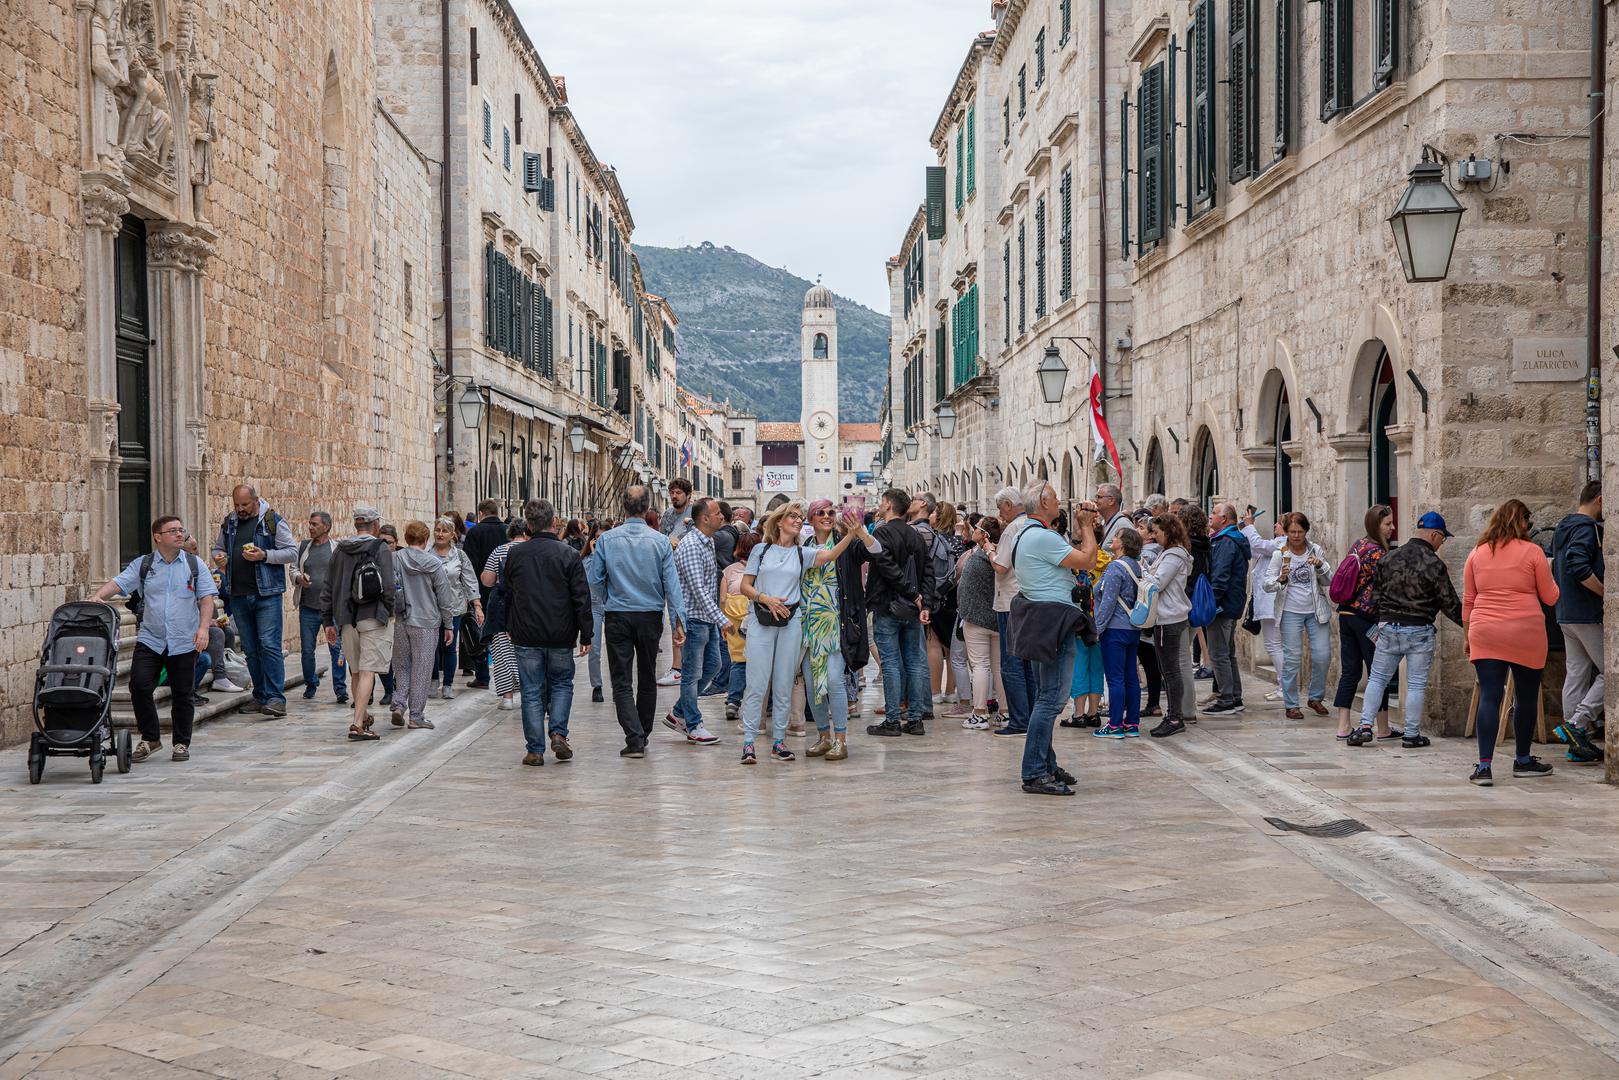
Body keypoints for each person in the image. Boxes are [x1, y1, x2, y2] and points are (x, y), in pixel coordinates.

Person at [737, 501, 864, 763]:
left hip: (792, 622)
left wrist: (852, 534)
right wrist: (766, 599)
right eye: (792, 516)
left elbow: (831, 555)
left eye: (799, 517)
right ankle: (749, 743)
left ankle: (779, 742)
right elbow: (745, 586)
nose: (797, 520)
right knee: (757, 683)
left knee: (784, 683)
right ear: (779, 521)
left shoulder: (802, 553)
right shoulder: (761, 550)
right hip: (762, 620)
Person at [93, 516, 218, 763]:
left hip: (184, 639)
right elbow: (118, 583)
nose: (179, 534)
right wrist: (97, 598)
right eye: (173, 531)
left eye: (181, 530)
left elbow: (206, 599)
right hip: (151, 639)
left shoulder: (194, 564)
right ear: (158, 537)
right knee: (139, 685)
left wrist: (203, 629)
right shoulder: (144, 564)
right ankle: (150, 738)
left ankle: (181, 743)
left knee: (183, 693)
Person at [1008, 483, 1098, 795]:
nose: (1059, 501)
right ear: (1044, 502)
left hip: (1041, 620)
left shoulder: (1029, 534)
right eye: (1056, 498)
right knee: (1051, 700)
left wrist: (1081, 529)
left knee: (1044, 698)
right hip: (1054, 621)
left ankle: (1046, 764)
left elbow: (1069, 556)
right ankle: (1035, 771)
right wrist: (1087, 526)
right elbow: (1088, 560)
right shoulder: (1042, 537)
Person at [1463, 499, 1560, 785]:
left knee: (1490, 696)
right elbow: (1550, 597)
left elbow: (1468, 600)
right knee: (1526, 697)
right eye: (1528, 522)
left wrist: (1467, 636)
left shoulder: (1477, 553)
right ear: (1522, 521)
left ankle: (1484, 767)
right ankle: (1523, 760)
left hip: (1485, 630)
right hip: (1525, 632)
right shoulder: (1533, 552)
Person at [1347, 511, 1463, 749]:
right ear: (1435, 534)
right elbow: (1449, 603)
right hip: (1419, 629)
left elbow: (1375, 596)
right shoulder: (1434, 564)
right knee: (1416, 684)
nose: (1441, 544)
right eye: (1443, 539)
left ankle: (1365, 727)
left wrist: (1382, 620)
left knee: (1377, 678)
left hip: (1389, 627)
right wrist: (1472, 624)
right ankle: (1411, 735)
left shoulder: (1389, 558)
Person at [589, 485, 686, 758]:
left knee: (621, 679)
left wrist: (609, 597)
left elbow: (594, 581)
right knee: (647, 675)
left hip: (618, 614)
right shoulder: (660, 542)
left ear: (623, 506)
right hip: (649, 615)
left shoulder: (607, 540)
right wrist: (678, 622)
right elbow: (672, 586)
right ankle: (642, 732)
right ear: (647, 508)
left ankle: (634, 738)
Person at [505, 499, 592, 767]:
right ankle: (558, 732)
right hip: (560, 632)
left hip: (526, 632)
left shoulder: (516, 554)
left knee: (531, 690)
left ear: (528, 525)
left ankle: (535, 750)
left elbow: (507, 593)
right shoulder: (568, 555)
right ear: (554, 523)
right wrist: (586, 634)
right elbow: (581, 597)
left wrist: (509, 625)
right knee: (562, 683)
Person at [800, 500, 882, 760]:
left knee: (834, 681)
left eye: (830, 512)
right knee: (812, 684)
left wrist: (860, 532)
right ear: (811, 518)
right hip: (809, 625)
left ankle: (840, 739)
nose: (826, 516)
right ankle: (823, 736)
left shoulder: (848, 544)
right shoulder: (804, 547)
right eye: (820, 513)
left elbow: (876, 550)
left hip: (838, 622)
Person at [210, 484, 295, 717]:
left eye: (245, 505)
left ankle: (276, 698)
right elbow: (218, 548)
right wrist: (219, 557)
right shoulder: (229, 522)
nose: (240, 509)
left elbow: (291, 552)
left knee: (269, 645)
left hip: (266, 594)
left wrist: (264, 555)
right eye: (236, 505)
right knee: (251, 648)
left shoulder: (272, 521)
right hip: (238, 594)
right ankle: (260, 695)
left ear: (256, 501)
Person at [320, 506, 400, 741]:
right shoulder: (380, 548)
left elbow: (328, 586)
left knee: (355, 671)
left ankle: (363, 715)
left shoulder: (340, 550)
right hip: (373, 616)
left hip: (346, 619)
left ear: (356, 524)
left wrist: (328, 620)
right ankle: (357, 724)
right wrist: (390, 612)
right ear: (375, 525)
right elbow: (389, 585)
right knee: (367, 672)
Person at [864, 489, 935, 739]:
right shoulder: (916, 535)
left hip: (888, 604)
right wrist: (924, 603)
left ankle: (893, 719)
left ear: (888, 505)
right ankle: (915, 719)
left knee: (891, 663)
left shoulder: (882, 532)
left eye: (882, 501)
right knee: (914, 661)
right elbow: (928, 571)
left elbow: (886, 566)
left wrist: (912, 593)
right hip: (912, 609)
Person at [665, 497, 726, 746]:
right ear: (705, 518)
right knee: (691, 674)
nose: (722, 516)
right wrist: (722, 619)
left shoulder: (707, 541)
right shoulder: (691, 545)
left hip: (705, 617)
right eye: (717, 513)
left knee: (713, 665)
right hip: (693, 618)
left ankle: (678, 712)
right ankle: (693, 724)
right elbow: (698, 589)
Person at [1552, 481, 1605, 762]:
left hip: (1565, 612)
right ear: (1600, 499)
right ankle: (1576, 724)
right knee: (1613, 673)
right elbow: (1578, 564)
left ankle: (1575, 743)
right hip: (1586, 613)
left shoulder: (1563, 527)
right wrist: (1605, 593)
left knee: (1576, 673)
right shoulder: (1586, 528)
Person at [1332, 506, 1396, 740]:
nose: (1392, 528)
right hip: (1366, 619)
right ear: (1376, 525)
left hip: (1346, 614)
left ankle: (1343, 726)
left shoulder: (1359, 545)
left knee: (1350, 672)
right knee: (1379, 672)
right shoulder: (1378, 553)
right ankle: (1383, 728)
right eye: (1387, 524)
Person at [1262, 512, 1333, 720]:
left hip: (1316, 611)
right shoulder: (1279, 554)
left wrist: (1320, 566)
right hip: (1290, 611)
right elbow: (1267, 584)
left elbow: (1329, 580)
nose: (1296, 536)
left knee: (1322, 655)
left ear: (1306, 531)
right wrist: (1280, 579)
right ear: (1286, 532)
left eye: (1300, 532)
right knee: (1292, 658)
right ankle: (1291, 704)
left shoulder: (1315, 550)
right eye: (1292, 532)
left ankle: (1315, 697)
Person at [389, 521, 457, 731]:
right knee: (422, 668)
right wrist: (449, 624)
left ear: (406, 538)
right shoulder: (433, 563)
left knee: (401, 665)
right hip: (426, 621)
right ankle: (416, 716)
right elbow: (444, 596)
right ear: (426, 539)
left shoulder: (394, 559)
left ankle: (399, 703)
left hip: (401, 619)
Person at [989, 486, 1035, 738]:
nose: (1000, 514)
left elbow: (1000, 566)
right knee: (1027, 662)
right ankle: (1031, 715)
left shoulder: (1011, 529)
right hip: (1027, 599)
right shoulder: (1031, 524)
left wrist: (988, 550)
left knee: (1011, 663)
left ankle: (1019, 719)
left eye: (1000, 508)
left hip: (1009, 601)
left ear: (1008, 504)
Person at [1146, 512, 1195, 738]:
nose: (1154, 536)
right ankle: (1175, 714)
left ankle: (1175, 717)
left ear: (1168, 531)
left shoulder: (1174, 556)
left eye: (1157, 532)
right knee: (1169, 669)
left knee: (1171, 671)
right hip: (1168, 617)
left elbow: (1157, 583)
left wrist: (1141, 573)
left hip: (1169, 618)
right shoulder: (1169, 553)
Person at [1092, 526, 1145, 738]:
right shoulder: (1135, 565)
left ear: (1123, 544)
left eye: (1116, 537)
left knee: (1115, 678)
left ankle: (1115, 725)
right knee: (1131, 676)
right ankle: (1132, 722)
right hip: (1132, 627)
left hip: (1114, 628)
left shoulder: (1116, 567)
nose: (1112, 539)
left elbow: (1108, 602)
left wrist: (1098, 628)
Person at [293, 511, 348, 705]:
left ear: (326, 526)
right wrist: (298, 578)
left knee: (336, 648)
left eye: (315, 524)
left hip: (331, 610)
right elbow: (293, 568)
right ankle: (310, 684)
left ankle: (340, 689)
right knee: (307, 650)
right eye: (310, 523)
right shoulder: (303, 547)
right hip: (307, 607)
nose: (310, 527)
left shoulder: (337, 549)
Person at [1201, 502, 1251, 716]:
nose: (1210, 516)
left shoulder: (1225, 542)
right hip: (1231, 603)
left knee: (1219, 654)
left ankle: (1226, 699)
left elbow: (1220, 577)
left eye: (1214, 513)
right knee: (1228, 653)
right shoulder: (1232, 539)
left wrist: (1211, 604)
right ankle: (1235, 697)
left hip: (1222, 606)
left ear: (1224, 518)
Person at [957, 517, 1003, 730]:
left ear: (984, 534)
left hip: (976, 618)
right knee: (998, 667)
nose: (972, 529)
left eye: (976, 527)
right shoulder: (999, 554)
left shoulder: (980, 555)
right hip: (996, 617)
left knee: (980, 666)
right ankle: (1005, 712)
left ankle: (979, 713)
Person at [478, 521, 530, 712]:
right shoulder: (531, 549)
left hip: (500, 605)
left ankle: (507, 698)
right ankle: (529, 693)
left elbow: (487, 580)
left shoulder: (499, 550)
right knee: (527, 651)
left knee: (501, 650)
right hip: (527, 605)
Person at [429, 517, 481, 699]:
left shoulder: (459, 555)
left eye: (444, 531)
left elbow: (469, 580)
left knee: (449, 646)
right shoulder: (427, 554)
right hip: (432, 607)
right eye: (437, 530)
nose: (440, 534)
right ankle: (433, 680)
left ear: (452, 534)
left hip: (454, 607)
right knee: (432, 646)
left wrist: (477, 604)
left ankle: (448, 684)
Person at [1240, 512, 1288, 702]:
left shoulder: (1282, 543)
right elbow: (1254, 549)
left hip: (1272, 602)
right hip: (1269, 602)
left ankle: (1285, 688)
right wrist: (1243, 530)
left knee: (1274, 645)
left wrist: (1250, 525)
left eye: (1279, 523)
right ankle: (1283, 686)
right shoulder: (1276, 543)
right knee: (1275, 645)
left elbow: (1259, 545)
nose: (1275, 525)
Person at [461, 500, 508, 689]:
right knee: (503, 632)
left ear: (481, 513)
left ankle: (483, 676)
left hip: (480, 590)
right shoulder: (507, 531)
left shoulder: (474, 532)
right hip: (503, 590)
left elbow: (468, 564)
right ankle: (507, 673)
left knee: (478, 630)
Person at [931, 501, 971, 715]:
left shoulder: (934, 539)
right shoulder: (959, 541)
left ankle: (935, 692)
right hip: (955, 596)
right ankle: (950, 691)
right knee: (952, 645)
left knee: (933, 643)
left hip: (939, 595)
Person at [721, 531, 760, 722]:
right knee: (762, 663)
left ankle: (733, 701)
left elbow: (722, 599)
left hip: (733, 623)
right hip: (755, 620)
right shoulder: (761, 570)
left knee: (738, 661)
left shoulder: (728, 571)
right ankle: (767, 703)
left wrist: (723, 623)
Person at [581, 523, 607, 704]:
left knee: (616, 649)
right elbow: (590, 579)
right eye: (597, 538)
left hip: (612, 605)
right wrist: (595, 554)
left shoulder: (616, 555)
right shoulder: (587, 558)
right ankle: (596, 685)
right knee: (595, 648)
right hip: (595, 605)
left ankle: (619, 686)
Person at [1096, 483, 1129, 549]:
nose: (1095, 500)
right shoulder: (1103, 522)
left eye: (1099, 497)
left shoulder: (1123, 525)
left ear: (1111, 501)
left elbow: (1132, 552)